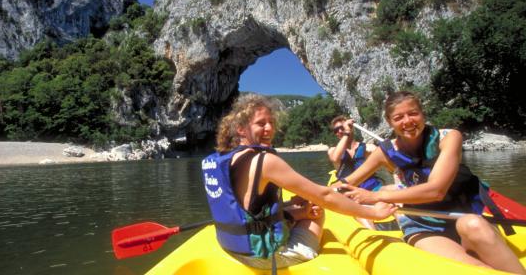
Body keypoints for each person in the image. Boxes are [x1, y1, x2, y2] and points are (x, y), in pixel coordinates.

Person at [336, 91, 525, 274]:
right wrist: (318, 195)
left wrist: (376, 196)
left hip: (463, 214)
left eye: (413, 113)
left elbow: (436, 191)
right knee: (481, 271)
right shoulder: (385, 152)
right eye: (399, 117)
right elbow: (346, 182)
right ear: (389, 122)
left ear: (422, 114)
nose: (407, 121)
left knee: (473, 224)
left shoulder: (449, 138)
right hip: (422, 224)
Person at [202, 93, 396, 271]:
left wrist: (295, 208)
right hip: (263, 258)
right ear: (241, 129)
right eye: (261, 123)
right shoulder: (265, 161)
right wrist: (374, 213)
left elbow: (248, 209)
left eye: (271, 122)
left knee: (304, 209)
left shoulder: (226, 159)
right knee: (317, 215)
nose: (269, 128)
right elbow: (325, 196)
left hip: (230, 247)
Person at [327, 115, 382, 191]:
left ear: (351, 127)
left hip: (370, 190)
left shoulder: (369, 148)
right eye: (336, 130)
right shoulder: (332, 151)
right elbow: (335, 158)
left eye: (342, 127)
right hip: (349, 193)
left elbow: (386, 156)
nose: (339, 131)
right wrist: (346, 132)